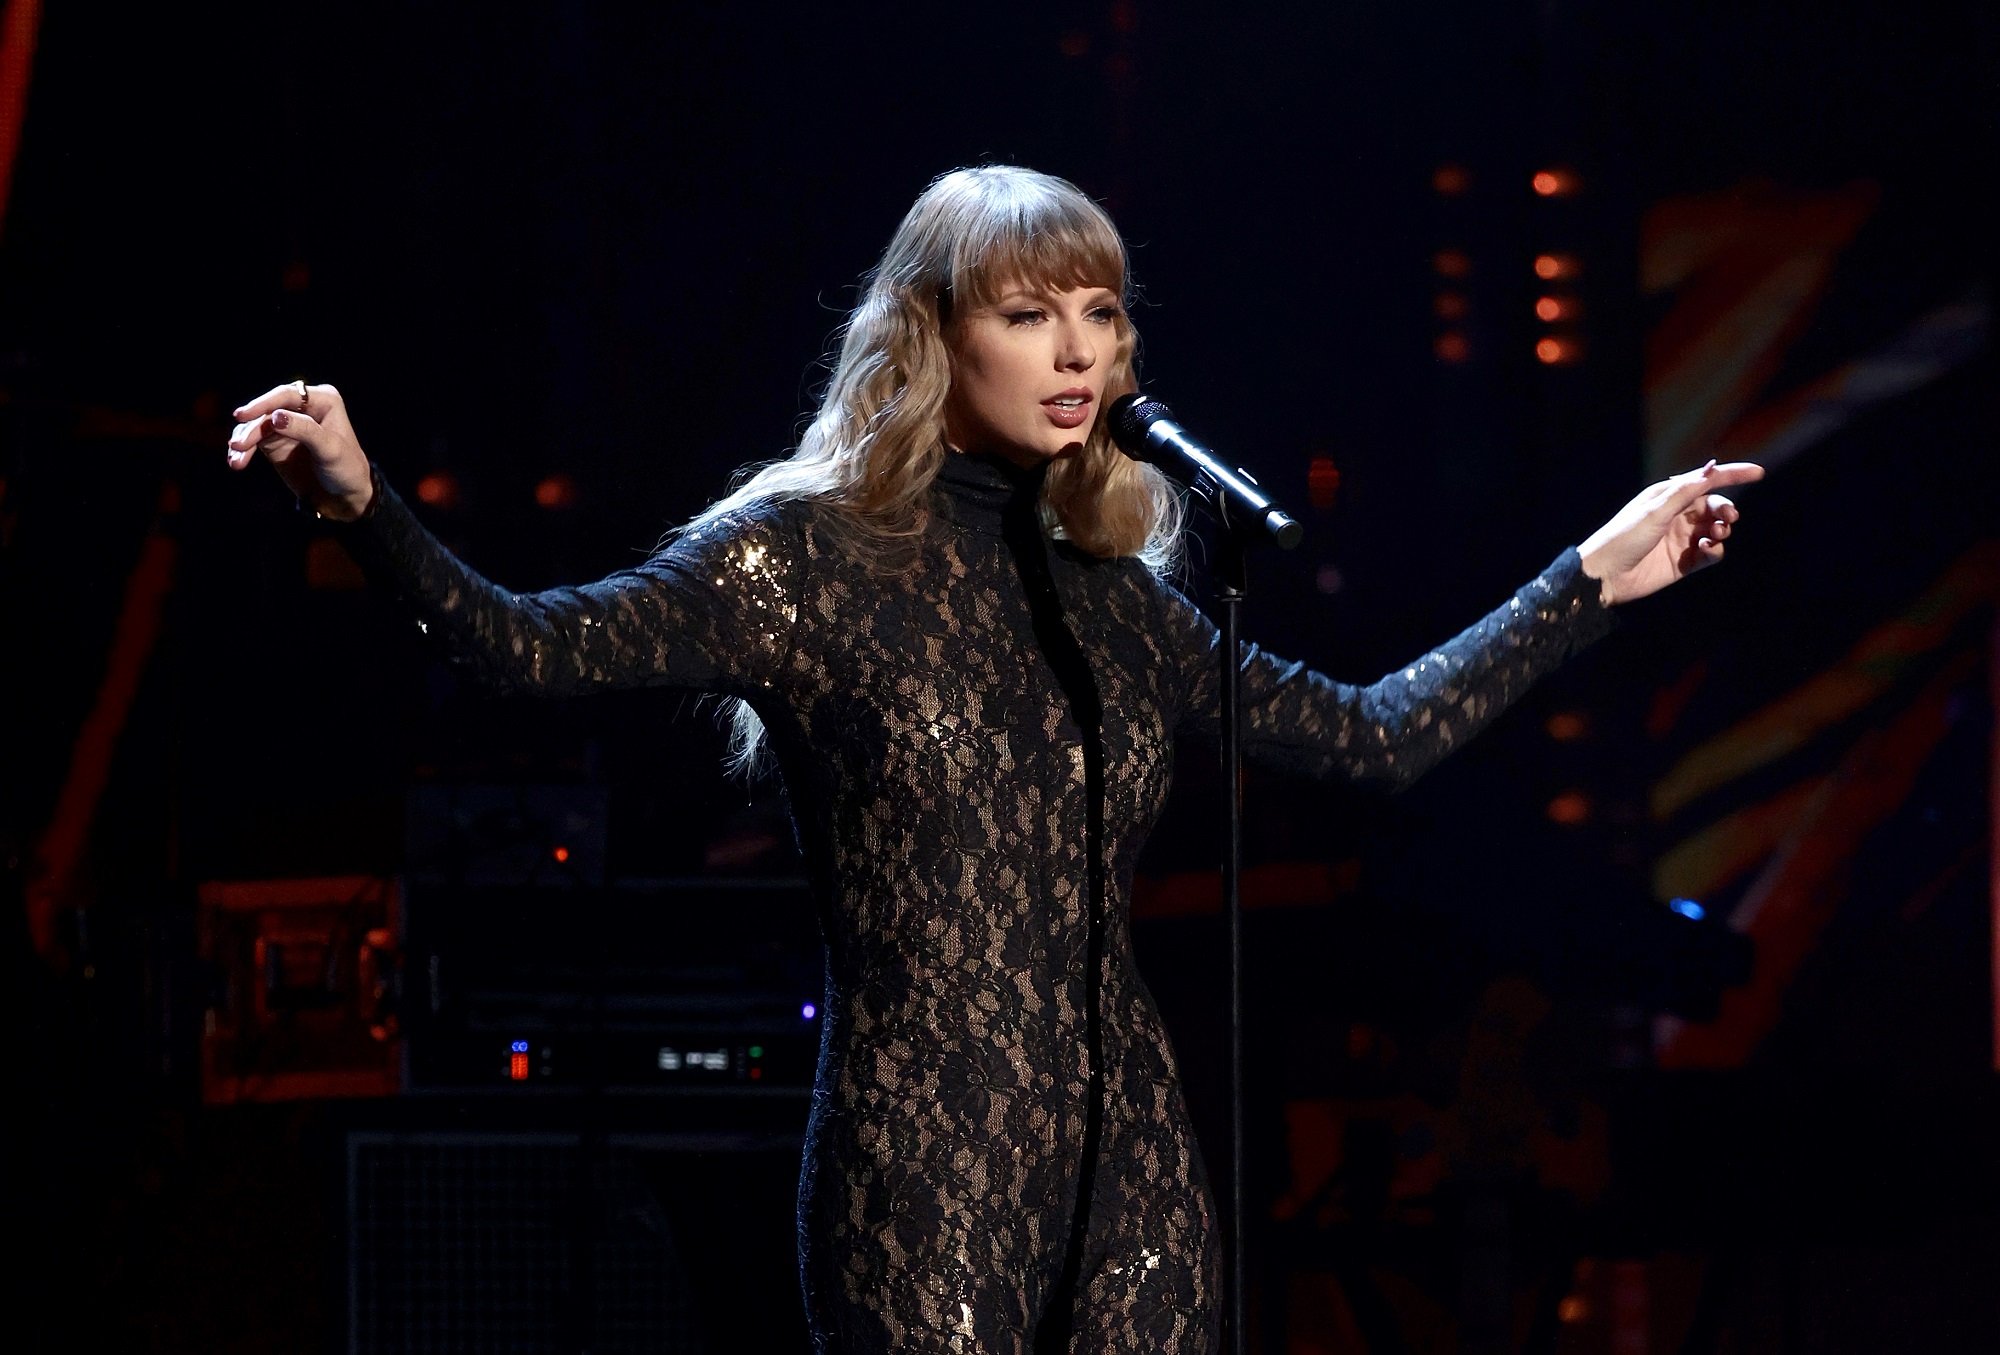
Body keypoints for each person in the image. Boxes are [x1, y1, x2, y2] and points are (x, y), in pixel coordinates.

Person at [226, 166, 1762, 1354]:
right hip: (925, 1159)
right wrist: (363, 505)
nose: (1079, 351)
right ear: (937, 334)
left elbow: (1369, 737)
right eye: (1030, 313)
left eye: (1100, 312)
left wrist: (1588, 583)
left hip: (1136, 1159)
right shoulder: (806, 556)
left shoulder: (1115, 595)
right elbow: (526, 649)